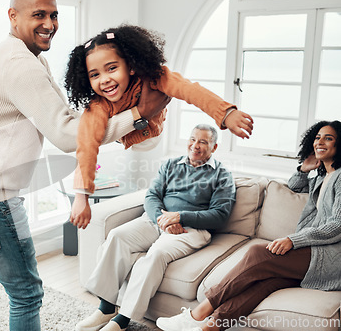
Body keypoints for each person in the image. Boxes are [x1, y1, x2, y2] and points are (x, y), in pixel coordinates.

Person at [0, 0, 170, 330]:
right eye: (38, 15)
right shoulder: (20, 66)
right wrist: (138, 114)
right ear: (13, 16)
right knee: (26, 293)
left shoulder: (28, 58)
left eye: (53, 15)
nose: (49, 23)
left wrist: (127, 121)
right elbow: (66, 135)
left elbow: (63, 119)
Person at [156, 120, 341, 331]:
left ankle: (198, 313)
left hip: (331, 257)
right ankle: (209, 328)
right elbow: (295, 186)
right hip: (314, 252)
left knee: (257, 252)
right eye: (317, 137)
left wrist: (293, 239)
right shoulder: (321, 177)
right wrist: (303, 169)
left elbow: (337, 224)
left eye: (328, 138)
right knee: (265, 284)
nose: (320, 142)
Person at [65, 24, 253, 230]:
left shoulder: (154, 76)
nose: (105, 80)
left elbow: (190, 91)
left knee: (174, 83)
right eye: (95, 75)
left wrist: (226, 113)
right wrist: (81, 197)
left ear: (131, 66)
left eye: (112, 68)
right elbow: (86, 147)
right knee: (88, 129)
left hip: (152, 135)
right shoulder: (98, 105)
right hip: (126, 138)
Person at [75, 124, 237, 331]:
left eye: (203, 142)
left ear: (214, 148)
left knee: (156, 254)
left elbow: (219, 216)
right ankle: (106, 307)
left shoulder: (222, 175)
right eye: (192, 139)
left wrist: (180, 217)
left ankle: (123, 320)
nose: (195, 146)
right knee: (117, 236)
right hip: (156, 220)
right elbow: (152, 196)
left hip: (190, 230)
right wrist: (162, 219)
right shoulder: (170, 164)